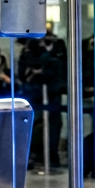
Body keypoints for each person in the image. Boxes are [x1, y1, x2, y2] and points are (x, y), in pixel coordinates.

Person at [17, 28, 68, 167]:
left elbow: (60, 67)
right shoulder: (30, 47)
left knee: (55, 124)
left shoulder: (58, 47)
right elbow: (25, 69)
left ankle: (51, 154)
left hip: (53, 92)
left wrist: (43, 69)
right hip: (35, 93)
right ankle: (33, 154)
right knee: (34, 123)